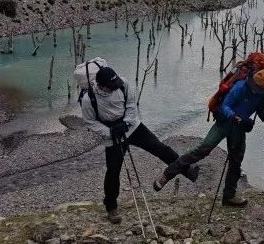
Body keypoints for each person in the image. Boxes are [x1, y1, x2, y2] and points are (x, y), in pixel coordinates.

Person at [80, 66, 196, 224]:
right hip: (111, 135)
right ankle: (111, 207)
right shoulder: (89, 99)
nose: (115, 88)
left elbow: (131, 106)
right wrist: (110, 132)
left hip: (133, 126)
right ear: (102, 86)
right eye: (111, 87)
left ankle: (186, 170)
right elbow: (90, 122)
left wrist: (126, 123)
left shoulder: (123, 84)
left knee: (160, 148)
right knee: (113, 171)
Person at [153, 69, 264, 207]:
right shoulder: (240, 87)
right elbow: (225, 106)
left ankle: (229, 197)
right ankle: (167, 175)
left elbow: (260, 110)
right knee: (203, 149)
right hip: (225, 123)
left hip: (239, 129)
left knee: (236, 161)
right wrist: (234, 117)